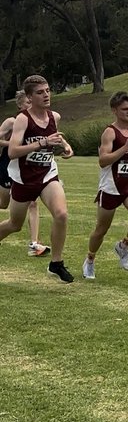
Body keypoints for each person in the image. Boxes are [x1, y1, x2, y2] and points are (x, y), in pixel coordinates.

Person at [0, 74, 74, 282]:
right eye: (40, 92)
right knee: (15, 224)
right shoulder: (23, 119)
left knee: (61, 214)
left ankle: (56, 263)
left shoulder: (54, 117)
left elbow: (56, 136)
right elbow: (13, 151)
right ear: (30, 97)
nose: (46, 95)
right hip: (24, 179)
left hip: (47, 174)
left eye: (48, 90)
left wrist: (66, 146)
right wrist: (42, 143)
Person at [82, 91, 128, 280]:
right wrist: (125, 148)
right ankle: (90, 260)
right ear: (114, 110)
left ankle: (123, 246)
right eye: (124, 109)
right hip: (111, 187)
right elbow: (103, 160)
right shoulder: (110, 132)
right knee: (101, 230)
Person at [0, 90, 50, 257]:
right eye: (28, 103)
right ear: (20, 105)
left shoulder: (35, 121)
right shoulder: (12, 121)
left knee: (33, 203)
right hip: (9, 165)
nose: (31, 106)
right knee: (3, 203)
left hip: (28, 168)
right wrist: (13, 143)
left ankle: (34, 244)